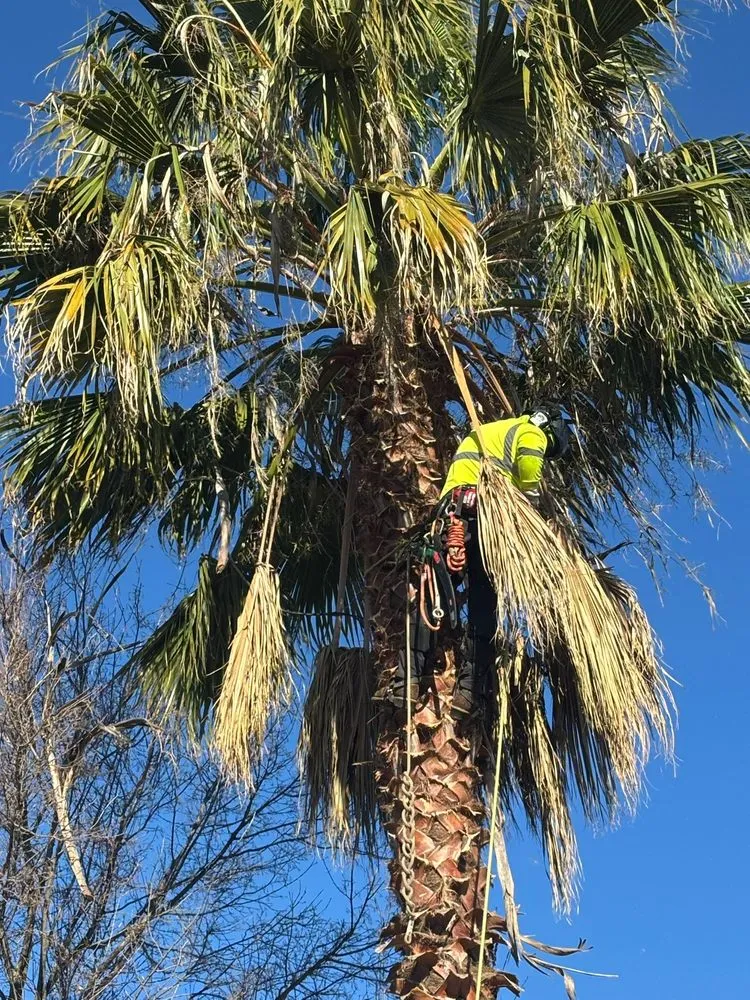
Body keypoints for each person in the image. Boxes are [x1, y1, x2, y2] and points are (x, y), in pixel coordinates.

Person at [437, 408, 572, 705]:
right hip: (481, 513)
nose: (545, 449)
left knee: (437, 588)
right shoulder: (530, 432)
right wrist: (530, 509)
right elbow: (527, 466)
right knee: (484, 600)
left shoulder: (493, 432)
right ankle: (469, 688)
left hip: (452, 508)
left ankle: (407, 676)